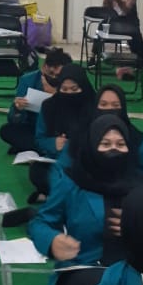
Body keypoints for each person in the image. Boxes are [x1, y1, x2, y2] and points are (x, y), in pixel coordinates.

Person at [29, 114, 143, 285]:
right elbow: (41, 222)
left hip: (133, 270)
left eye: (120, 144)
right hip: (85, 269)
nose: (113, 150)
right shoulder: (72, 182)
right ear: (91, 145)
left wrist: (138, 226)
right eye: (105, 144)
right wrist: (52, 241)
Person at [31, 65, 97, 197]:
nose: (69, 93)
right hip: (56, 160)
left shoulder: (94, 107)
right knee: (37, 171)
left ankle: (58, 194)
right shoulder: (49, 106)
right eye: (64, 89)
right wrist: (53, 143)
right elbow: (39, 139)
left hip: (87, 161)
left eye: (74, 89)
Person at [0, 47, 72, 155]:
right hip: (35, 128)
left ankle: (33, 148)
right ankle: (45, 148)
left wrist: (55, 95)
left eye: (58, 75)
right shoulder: (28, 81)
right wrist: (18, 109)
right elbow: (13, 120)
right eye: (50, 73)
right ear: (44, 67)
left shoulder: (71, 83)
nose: (54, 78)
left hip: (63, 130)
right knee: (6, 130)